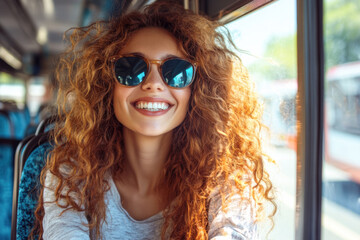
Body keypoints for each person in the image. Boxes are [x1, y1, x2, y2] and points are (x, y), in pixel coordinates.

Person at [32, 1, 276, 239]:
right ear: (108, 85)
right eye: (131, 68)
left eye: (176, 71)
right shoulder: (71, 171)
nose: (153, 83)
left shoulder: (226, 177)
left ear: (197, 89)